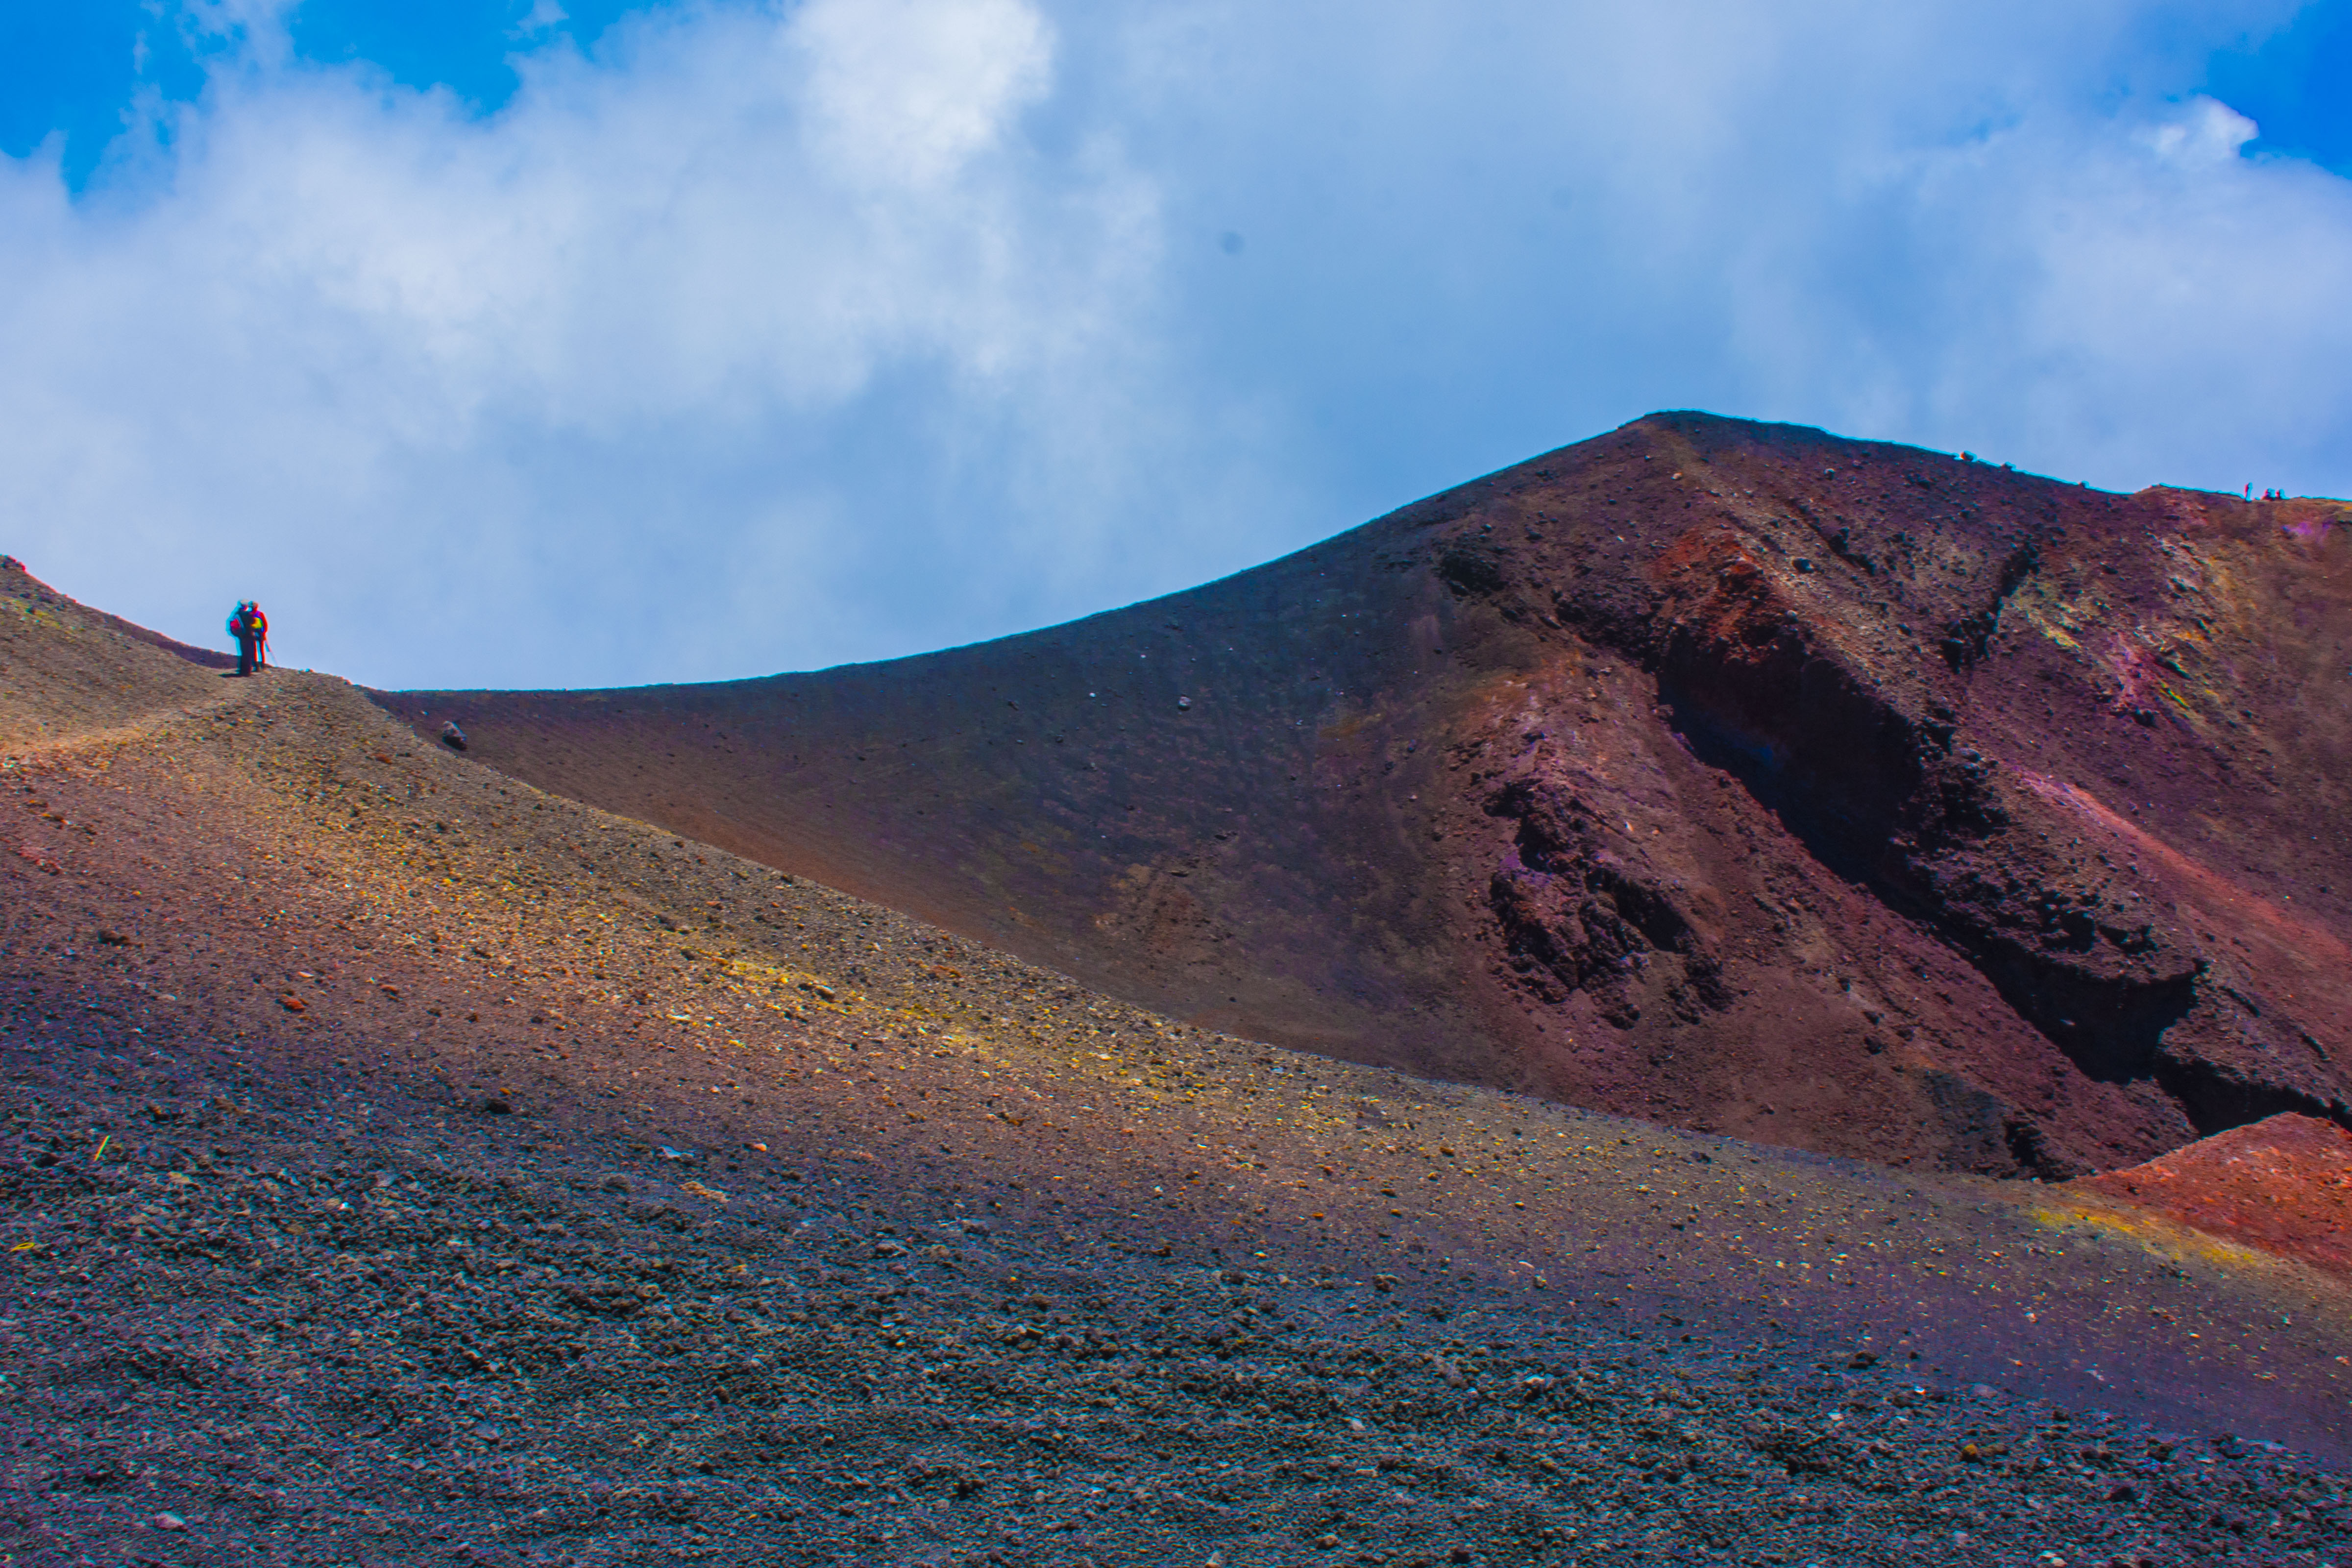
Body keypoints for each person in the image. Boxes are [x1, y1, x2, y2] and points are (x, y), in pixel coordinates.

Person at [227, 601, 270, 676]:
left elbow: (265, 624)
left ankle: (261, 665)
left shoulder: (257, 614)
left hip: (257, 634)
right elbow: (264, 624)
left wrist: (263, 633)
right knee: (255, 650)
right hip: (253, 634)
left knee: (259, 650)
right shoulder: (251, 614)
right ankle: (257, 666)